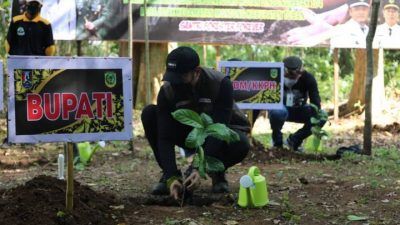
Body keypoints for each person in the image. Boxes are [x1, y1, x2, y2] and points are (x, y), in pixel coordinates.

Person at [141, 46, 251, 199]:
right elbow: (164, 136)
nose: (176, 83)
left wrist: (198, 168)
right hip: (188, 133)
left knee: (241, 143)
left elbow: (219, 129)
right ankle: (169, 176)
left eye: (181, 77)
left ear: (197, 72)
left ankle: (216, 171)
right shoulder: (167, 91)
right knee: (149, 114)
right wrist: (172, 174)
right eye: (172, 77)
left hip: (216, 132)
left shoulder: (220, 84)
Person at [268, 56, 326, 151]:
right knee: (277, 112)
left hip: (299, 109)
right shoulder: (274, 76)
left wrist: (316, 118)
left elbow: (315, 102)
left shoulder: (308, 78)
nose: (291, 77)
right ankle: (277, 142)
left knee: (321, 116)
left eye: (296, 75)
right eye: (288, 74)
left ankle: (294, 141)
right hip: (280, 110)